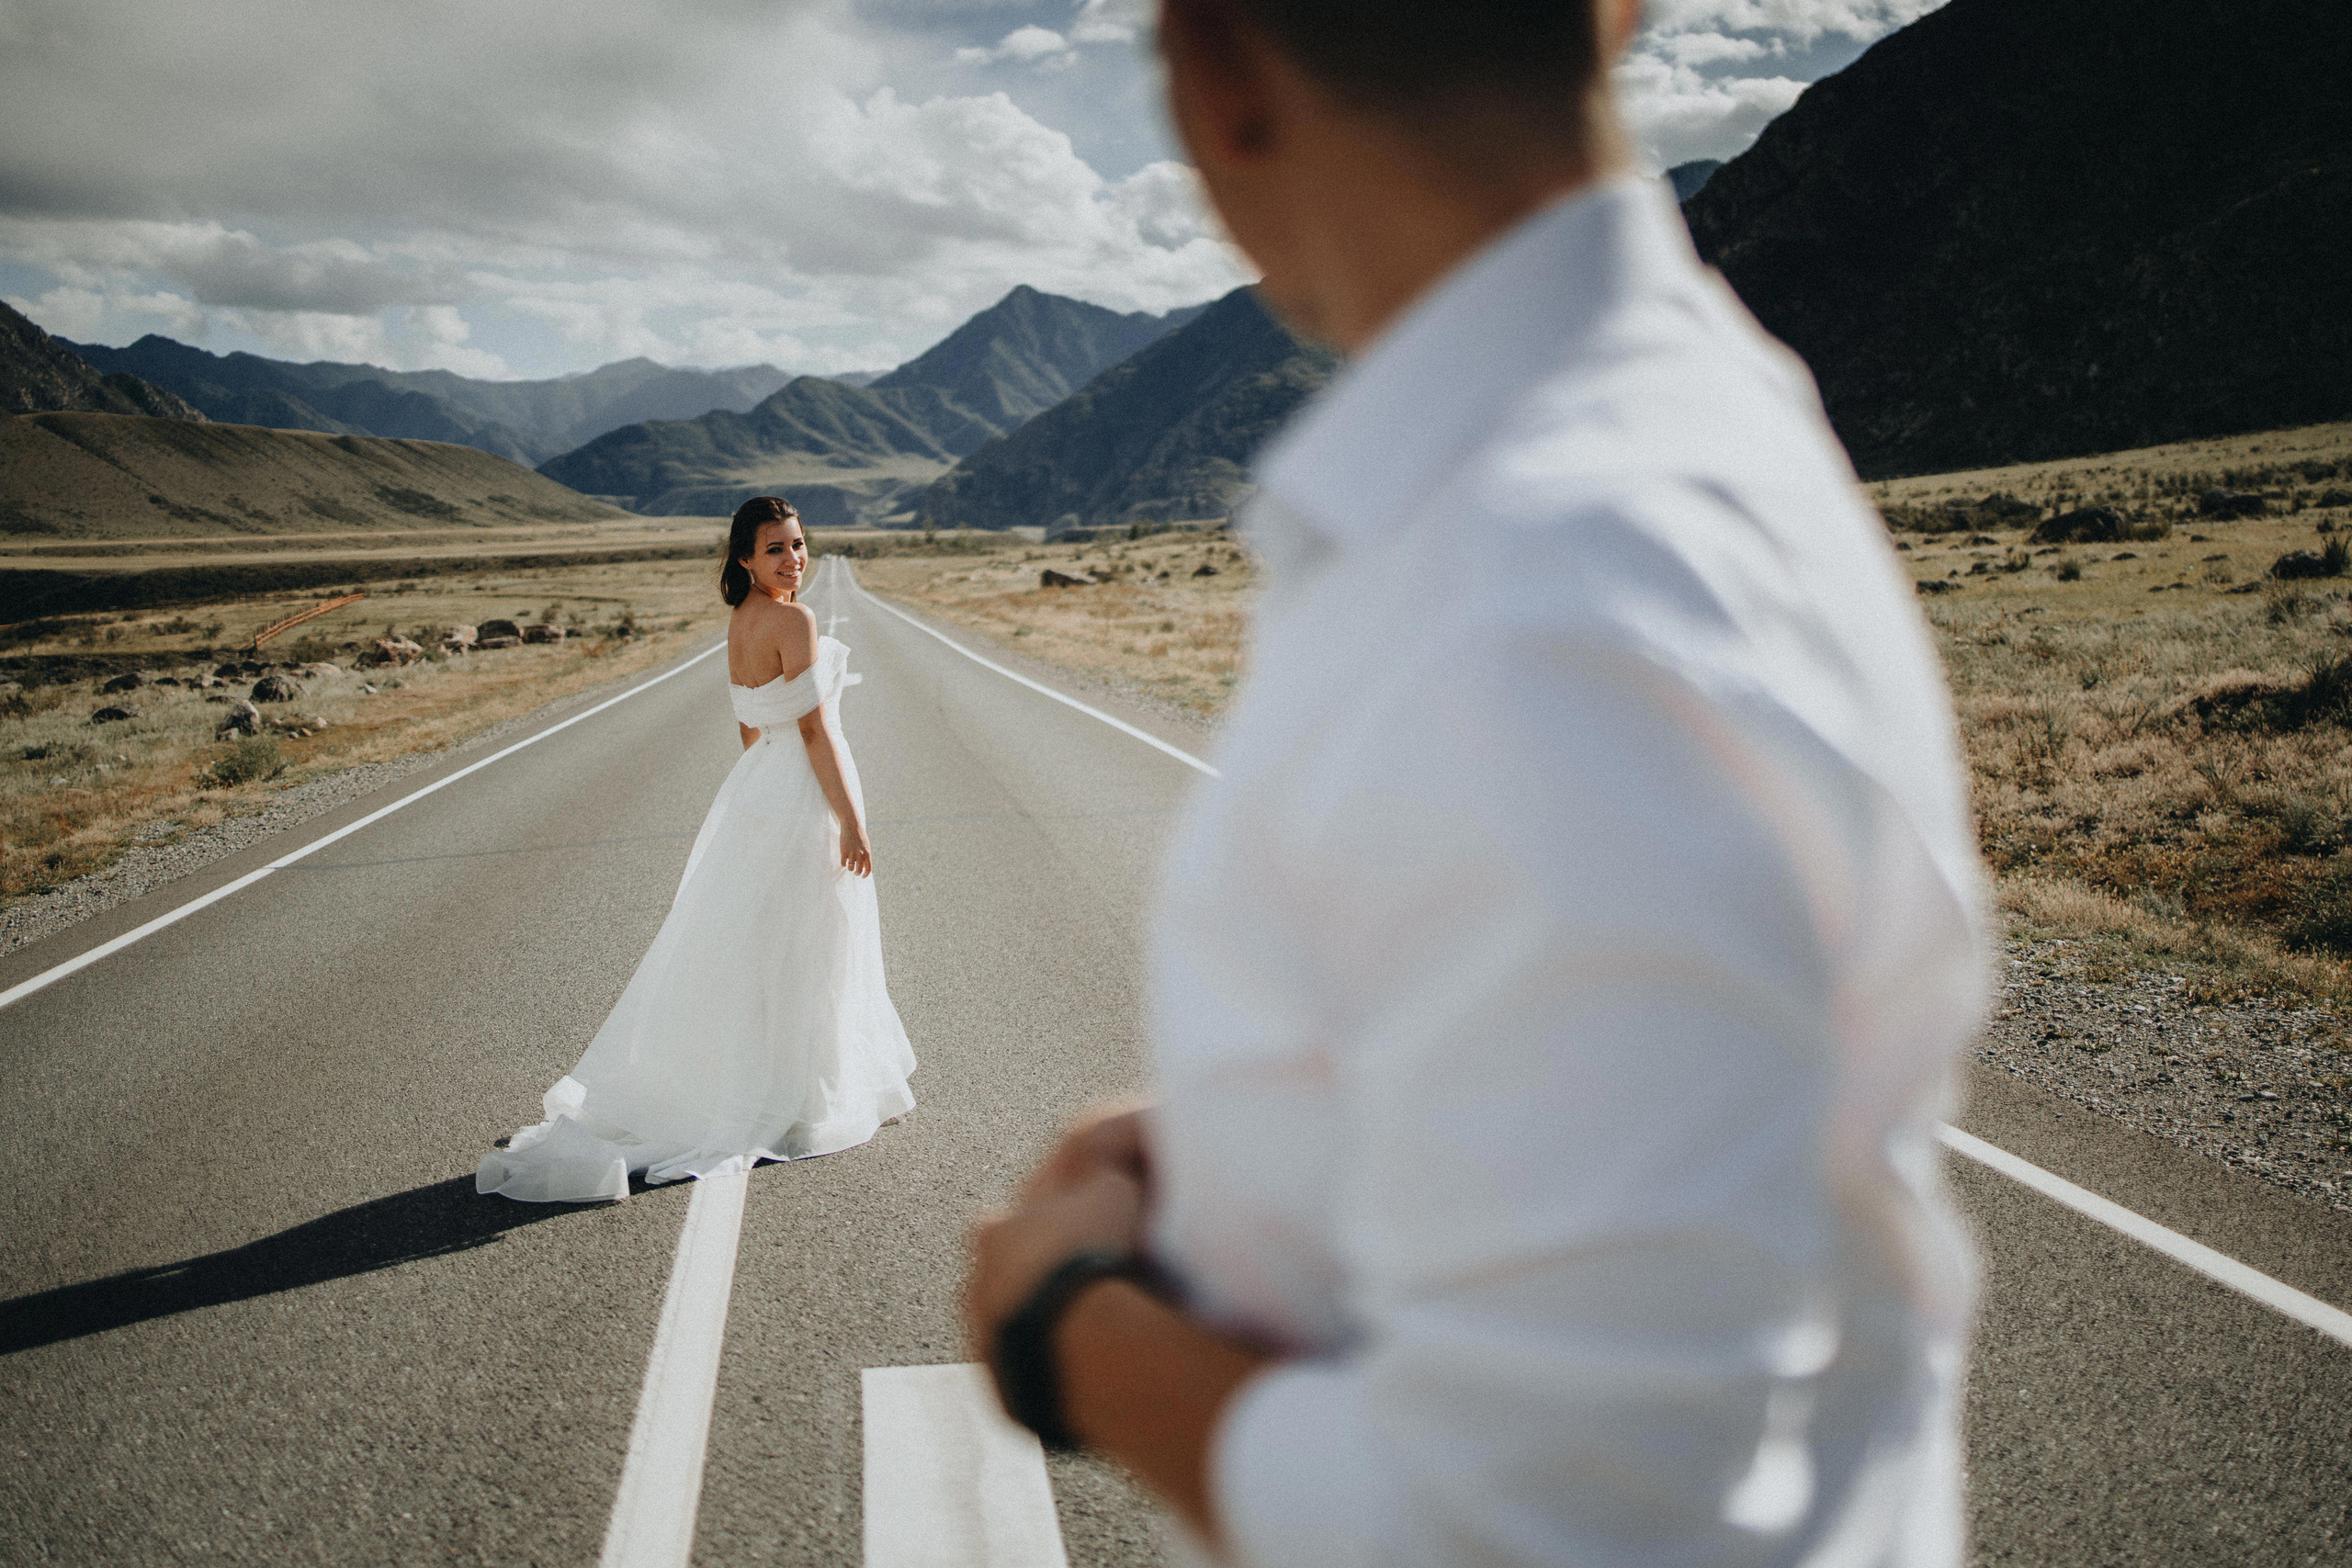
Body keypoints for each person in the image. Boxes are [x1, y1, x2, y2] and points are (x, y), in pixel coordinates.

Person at [964, 2, 1986, 1565]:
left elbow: (1531, 1530)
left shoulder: (1531, 601)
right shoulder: (1688, 424)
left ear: (1218, 73)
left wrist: (1053, 1318)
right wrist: (1271, 1118)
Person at [479, 496, 914, 1202]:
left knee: (764, 939)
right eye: (775, 548)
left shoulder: (741, 622)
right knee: (809, 937)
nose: (793, 559)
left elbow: (751, 727)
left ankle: (764, 1080)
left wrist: (760, 792)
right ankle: (796, 1095)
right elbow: (812, 732)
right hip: (801, 791)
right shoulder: (794, 619)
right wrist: (852, 822)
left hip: (758, 789)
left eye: (798, 544)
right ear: (744, 557)